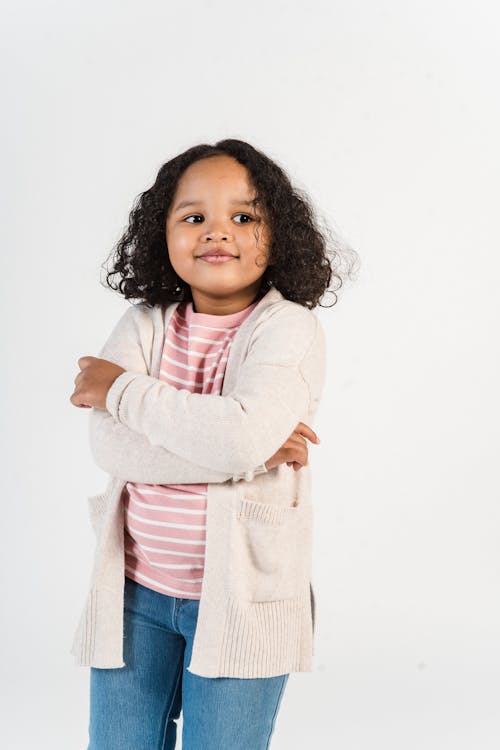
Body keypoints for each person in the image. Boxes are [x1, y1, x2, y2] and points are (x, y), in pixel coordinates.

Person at [70, 138, 354, 749]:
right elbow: (112, 449)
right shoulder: (144, 322)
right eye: (194, 216)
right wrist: (242, 448)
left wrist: (120, 389)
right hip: (137, 592)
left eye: (244, 217)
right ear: (162, 234)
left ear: (278, 234)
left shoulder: (289, 330)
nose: (216, 232)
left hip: (245, 599)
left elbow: (238, 436)